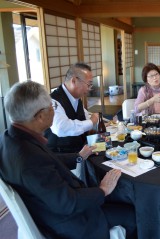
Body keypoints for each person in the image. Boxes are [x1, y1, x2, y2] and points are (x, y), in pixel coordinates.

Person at [0, 81, 137, 239]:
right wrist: (102, 190)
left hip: (48, 208)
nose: (54, 110)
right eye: (52, 107)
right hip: (69, 223)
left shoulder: (10, 139)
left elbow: (47, 161)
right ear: (39, 117)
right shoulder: (29, 161)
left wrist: (79, 156)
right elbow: (67, 203)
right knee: (132, 214)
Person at [45, 62, 99, 153]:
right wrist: (92, 122)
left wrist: (98, 124)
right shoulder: (53, 101)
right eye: (88, 84)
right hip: (60, 156)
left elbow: (84, 117)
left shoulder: (76, 98)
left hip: (79, 151)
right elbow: (61, 128)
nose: (89, 89)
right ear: (74, 81)